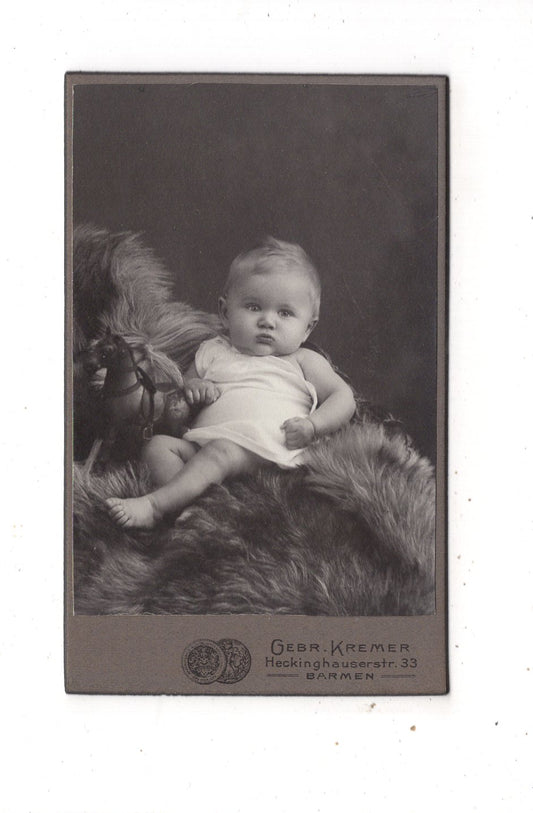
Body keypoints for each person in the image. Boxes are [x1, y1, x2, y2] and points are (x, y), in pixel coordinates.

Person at [106, 237, 356, 529]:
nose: (267, 321)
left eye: (285, 313)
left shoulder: (303, 360)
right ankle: (198, 510)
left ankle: (156, 506)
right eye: (253, 307)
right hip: (207, 448)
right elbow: (185, 385)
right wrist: (194, 388)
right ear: (225, 312)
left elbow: (343, 397)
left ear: (307, 327)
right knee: (158, 447)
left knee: (221, 452)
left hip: (266, 454)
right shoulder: (212, 351)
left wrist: (314, 426)